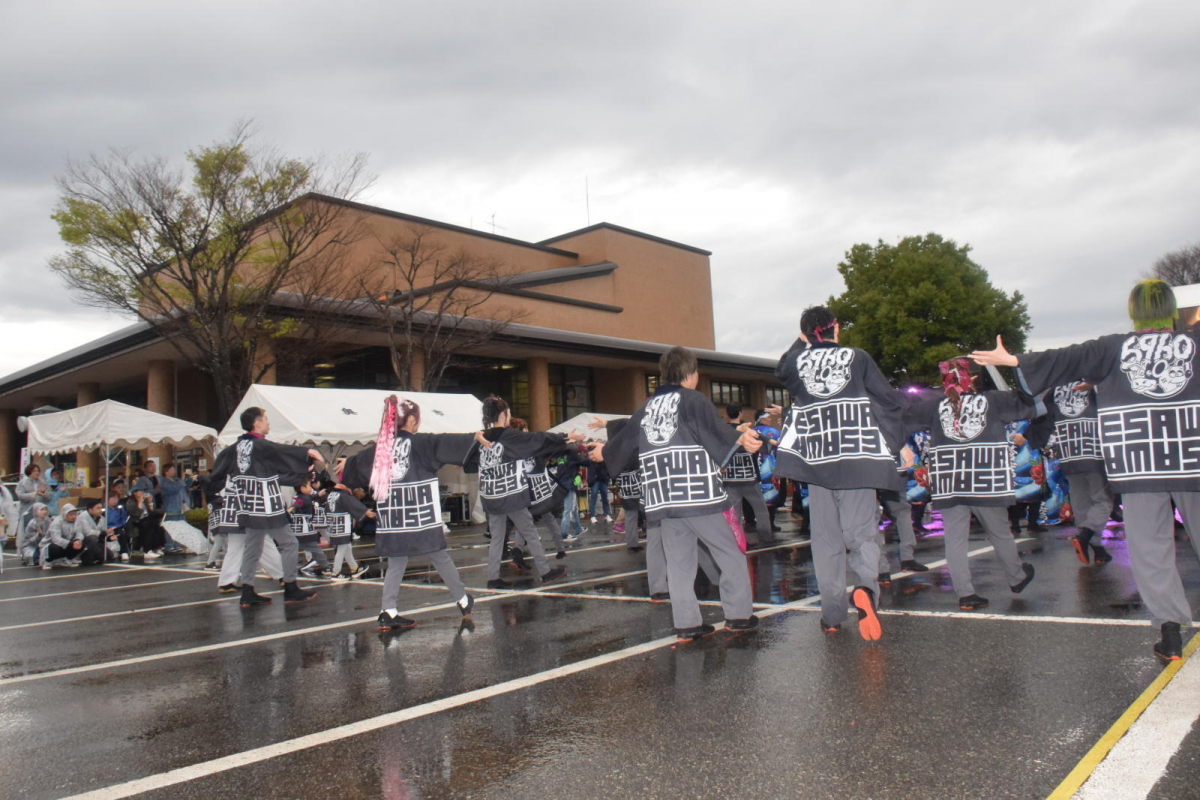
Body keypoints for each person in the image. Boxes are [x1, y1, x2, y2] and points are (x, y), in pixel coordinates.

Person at [971, 279, 1200, 661]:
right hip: (1192, 456)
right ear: (1172, 309)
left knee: (1150, 548)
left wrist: (1013, 361)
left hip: (1137, 462)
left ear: (1134, 312)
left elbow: (1066, 358)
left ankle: (1171, 629)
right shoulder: (1194, 344)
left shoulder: (1111, 349)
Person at [592, 346, 762, 641]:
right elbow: (715, 433)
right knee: (729, 552)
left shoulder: (647, 408)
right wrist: (740, 438)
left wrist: (602, 452)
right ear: (690, 374)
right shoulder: (694, 401)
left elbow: (625, 442)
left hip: (662, 497)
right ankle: (738, 615)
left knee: (679, 562)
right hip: (699, 495)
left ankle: (686, 623)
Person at [772, 306, 912, 641]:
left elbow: (780, 369)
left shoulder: (796, 362)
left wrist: (802, 340)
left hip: (817, 465)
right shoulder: (858, 357)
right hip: (858, 462)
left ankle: (833, 614)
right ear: (836, 329)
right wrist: (896, 444)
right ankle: (866, 591)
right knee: (861, 536)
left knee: (826, 542)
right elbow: (888, 401)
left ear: (806, 334)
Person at [904, 359, 1037, 610]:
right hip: (985, 481)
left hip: (948, 480)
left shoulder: (933, 406)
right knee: (1000, 532)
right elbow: (1030, 404)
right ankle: (1017, 577)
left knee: (954, 539)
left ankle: (965, 594)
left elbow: (902, 418)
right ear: (973, 378)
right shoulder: (994, 401)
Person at [340, 396, 480, 631]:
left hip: (393, 517)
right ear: (413, 420)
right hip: (420, 514)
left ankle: (389, 610)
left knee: (396, 560)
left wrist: (349, 463)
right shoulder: (421, 443)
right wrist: (472, 438)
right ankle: (463, 600)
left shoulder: (381, 449)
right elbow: (446, 443)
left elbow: (355, 468)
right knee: (439, 555)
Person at [207, 406, 321, 608]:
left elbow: (221, 471)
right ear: (257, 423)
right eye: (265, 419)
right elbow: (278, 451)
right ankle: (290, 587)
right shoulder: (259, 445)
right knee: (290, 543)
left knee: (252, 547)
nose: (268, 422)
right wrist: (306, 453)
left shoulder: (237, 447)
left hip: (248, 505)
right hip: (267, 504)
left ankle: (248, 591)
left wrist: (210, 486)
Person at [466, 396, 578, 590]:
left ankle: (493, 577)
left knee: (497, 537)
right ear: (503, 414)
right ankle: (545, 572)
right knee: (529, 532)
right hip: (511, 493)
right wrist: (566, 436)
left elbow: (469, 464)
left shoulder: (480, 437)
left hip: (491, 495)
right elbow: (538, 439)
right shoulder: (508, 436)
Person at [1030, 382, 1114, 564]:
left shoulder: (1054, 391)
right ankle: (1086, 534)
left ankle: (1097, 549)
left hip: (1068, 453)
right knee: (1103, 500)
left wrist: (1030, 437)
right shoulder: (1093, 385)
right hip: (1094, 452)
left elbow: (1043, 417)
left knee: (1080, 502)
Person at [721, 402, 775, 545]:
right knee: (761, 511)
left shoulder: (723, 432)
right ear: (740, 413)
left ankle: (736, 540)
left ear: (727, 414)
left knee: (735, 513)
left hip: (729, 479)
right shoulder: (748, 431)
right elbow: (767, 448)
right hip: (750, 478)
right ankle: (766, 537)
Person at [44, 503, 87, 568]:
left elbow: (79, 533)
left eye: (75, 514)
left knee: (82, 543)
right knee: (54, 548)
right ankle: (48, 561)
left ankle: (67, 559)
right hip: (52, 544)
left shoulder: (76, 521)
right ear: (65, 514)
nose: (74, 516)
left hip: (68, 543)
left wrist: (78, 540)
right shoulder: (57, 522)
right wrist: (70, 543)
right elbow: (55, 539)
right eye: (71, 514)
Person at [126, 487, 164, 559]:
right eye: (140, 491)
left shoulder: (145, 501)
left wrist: (150, 502)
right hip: (136, 522)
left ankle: (156, 547)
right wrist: (139, 502)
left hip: (146, 521)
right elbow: (136, 514)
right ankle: (147, 550)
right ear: (135, 493)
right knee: (149, 526)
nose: (142, 493)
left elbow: (151, 512)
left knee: (157, 525)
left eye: (143, 491)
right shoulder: (130, 502)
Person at [77, 497, 119, 563]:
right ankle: (86, 557)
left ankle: (93, 556)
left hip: (96, 542)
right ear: (90, 510)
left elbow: (103, 534)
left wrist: (109, 538)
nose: (100, 510)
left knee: (110, 555)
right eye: (98, 508)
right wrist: (104, 532)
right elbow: (87, 532)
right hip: (82, 541)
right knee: (92, 538)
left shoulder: (102, 519)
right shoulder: (83, 517)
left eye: (101, 508)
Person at [16, 464, 49, 529]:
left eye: (38, 471)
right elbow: (20, 495)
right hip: (27, 510)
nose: (37, 473)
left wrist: (43, 493)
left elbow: (49, 496)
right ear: (29, 472)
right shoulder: (22, 483)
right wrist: (34, 494)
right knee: (28, 530)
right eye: (34, 471)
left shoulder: (43, 482)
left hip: (41, 512)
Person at [105, 491, 130, 561]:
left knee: (120, 533)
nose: (115, 500)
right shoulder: (103, 508)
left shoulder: (120, 508)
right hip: (105, 527)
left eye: (116, 498)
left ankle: (124, 552)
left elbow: (123, 518)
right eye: (113, 498)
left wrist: (120, 525)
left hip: (117, 526)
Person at [587, 459, 611, 523]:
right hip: (596, 479)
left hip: (602, 479)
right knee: (594, 497)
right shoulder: (592, 456)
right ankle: (593, 516)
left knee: (604, 497)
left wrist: (607, 477)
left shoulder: (603, 454)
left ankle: (606, 514)